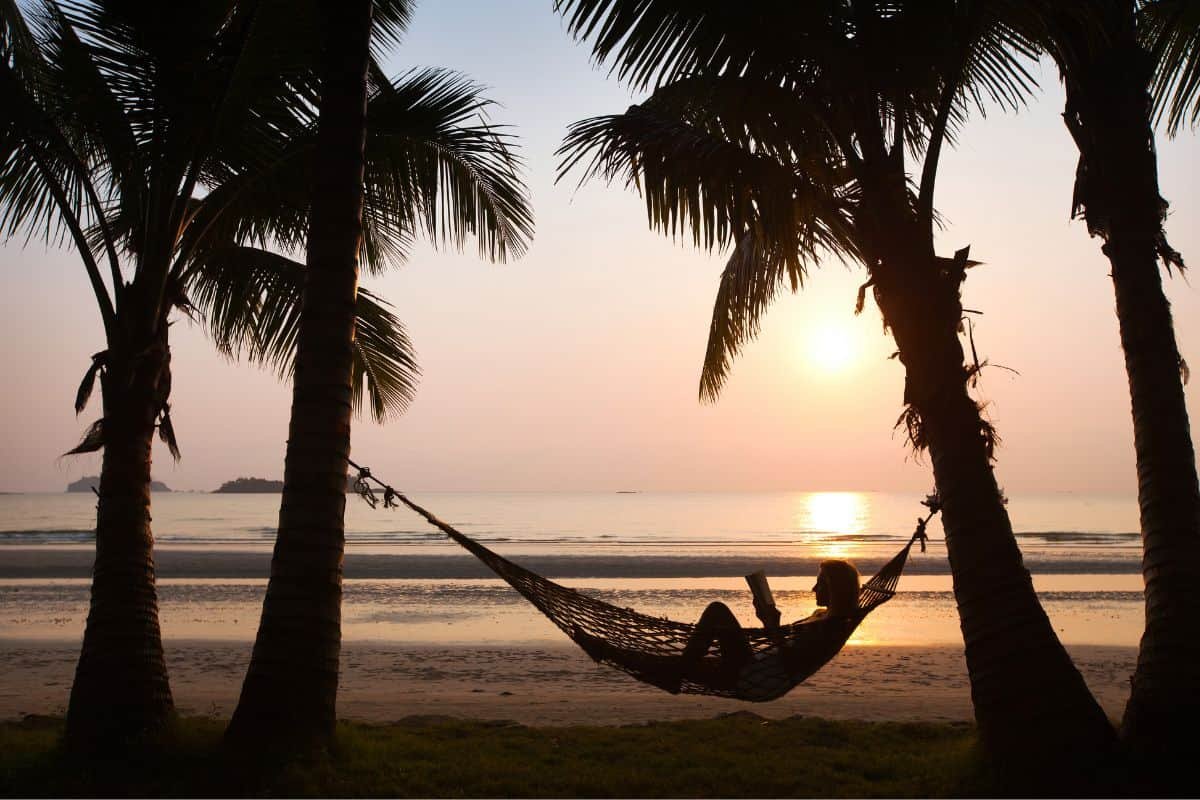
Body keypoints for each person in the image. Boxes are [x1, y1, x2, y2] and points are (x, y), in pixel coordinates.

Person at [675, 559, 862, 690]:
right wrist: (767, 620)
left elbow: (791, 664)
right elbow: (785, 650)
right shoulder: (822, 616)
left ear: (835, 589)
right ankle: (678, 670)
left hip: (755, 677)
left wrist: (772, 624)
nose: (813, 588)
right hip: (757, 666)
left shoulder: (828, 627)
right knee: (667, 664)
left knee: (717, 610)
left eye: (820, 584)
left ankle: (678, 672)